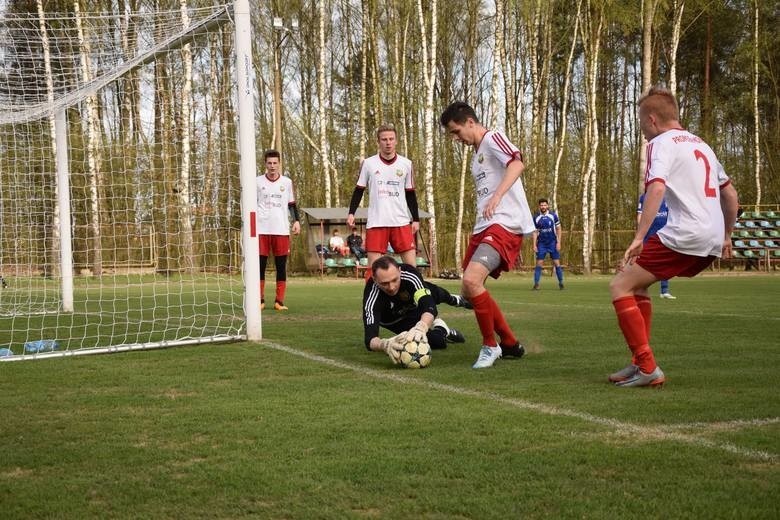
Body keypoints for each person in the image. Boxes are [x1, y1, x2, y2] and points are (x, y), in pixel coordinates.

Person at [608, 86, 739, 387]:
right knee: (638, 286)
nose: (642, 133)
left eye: (642, 126)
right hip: (711, 238)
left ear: (652, 120)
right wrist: (728, 234)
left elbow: (656, 188)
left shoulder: (660, 144)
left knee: (619, 285)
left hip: (686, 233)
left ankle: (648, 368)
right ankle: (638, 363)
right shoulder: (702, 145)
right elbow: (730, 194)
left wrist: (639, 237)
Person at [439, 101, 535, 368]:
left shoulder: (493, 137)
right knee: (468, 291)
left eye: (456, 132)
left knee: (472, 280)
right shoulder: (476, 155)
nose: (456, 139)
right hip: (483, 227)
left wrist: (498, 196)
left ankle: (490, 345)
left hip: (504, 224)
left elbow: (517, 163)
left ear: (470, 122)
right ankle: (509, 343)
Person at [363, 256, 471, 363]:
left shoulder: (409, 274)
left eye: (395, 280)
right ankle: (443, 329)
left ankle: (455, 300)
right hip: (396, 318)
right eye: (385, 283)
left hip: (413, 302)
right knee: (436, 342)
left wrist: (421, 327)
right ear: (374, 278)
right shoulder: (372, 296)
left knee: (431, 292)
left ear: (400, 271)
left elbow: (429, 306)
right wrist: (384, 344)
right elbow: (370, 339)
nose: (391, 287)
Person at [347, 124, 420, 272]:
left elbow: (410, 193)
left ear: (396, 141)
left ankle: (414, 294)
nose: (388, 143)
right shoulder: (368, 164)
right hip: (376, 221)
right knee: (374, 270)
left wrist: (416, 219)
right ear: (378, 142)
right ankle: (373, 295)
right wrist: (351, 213)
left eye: (391, 139)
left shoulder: (406, 164)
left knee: (412, 269)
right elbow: (359, 190)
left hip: (401, 221)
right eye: (384, 139)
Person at [256, 149, 301, 311]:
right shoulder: (257, 182)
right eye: (269, 163)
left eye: (275, 163)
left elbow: (291, 204)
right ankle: (259, 300)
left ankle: (279, 302)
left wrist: (296, 221)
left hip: (281, 229)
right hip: (261, 229)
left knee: (281, 266)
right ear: (265, 164)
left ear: (279, 164)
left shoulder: (286, 182)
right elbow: (251, 205)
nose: (272, 166)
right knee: (259, 266)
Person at [636, 193, 675, 299]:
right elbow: (640, 215)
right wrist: (641, 231)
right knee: (643, 261)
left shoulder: (667, 197)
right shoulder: (644, 198)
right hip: (648, 235)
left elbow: (671, 215)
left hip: (663, 235)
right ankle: (640, 288)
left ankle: (664, 290)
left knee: (665, 262)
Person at [532, 198, 564, 290]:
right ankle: (536, 284)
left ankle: (561, 283)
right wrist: (534, 245)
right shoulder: (536, 217)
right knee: (539, 264)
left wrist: (559, 242)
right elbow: (535, 232)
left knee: (557, 263)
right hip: (541, 243)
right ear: (539, 206)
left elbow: (559, 229)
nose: (543, 207)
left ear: (547, 206)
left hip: (552, 243)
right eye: (541, 205)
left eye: (544, 205)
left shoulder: (553, 216)